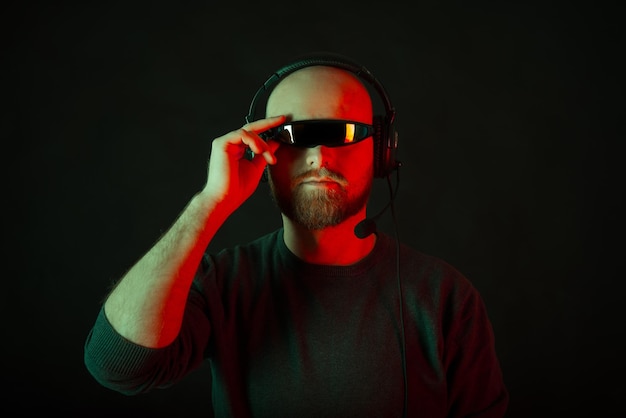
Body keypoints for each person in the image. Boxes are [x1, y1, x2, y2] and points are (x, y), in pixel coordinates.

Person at [84, 52, 509, 417]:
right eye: (293, 136)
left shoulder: (446, 298)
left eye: (341, 133)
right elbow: (117, 366)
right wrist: (210, 203)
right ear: (259, 147)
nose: (319, 156)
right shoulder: (224, 283)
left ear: (382, 152)